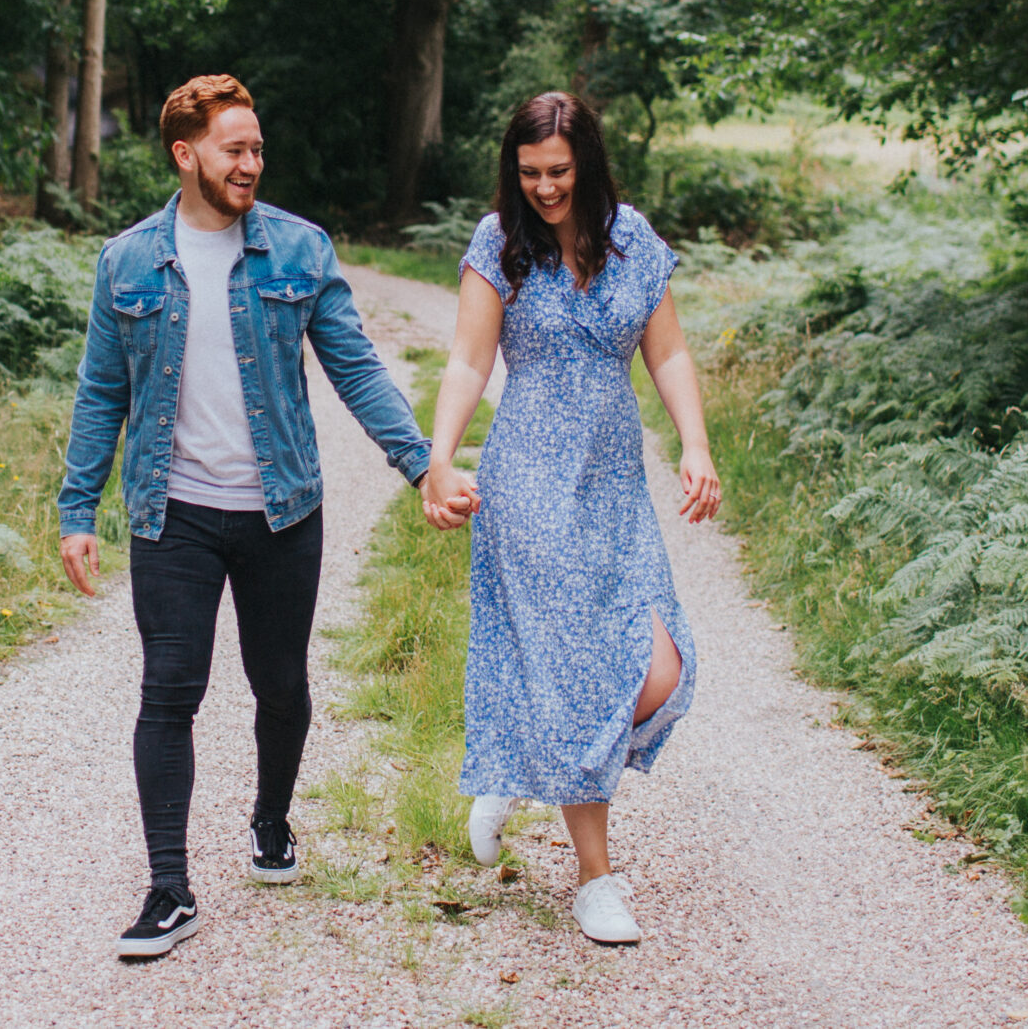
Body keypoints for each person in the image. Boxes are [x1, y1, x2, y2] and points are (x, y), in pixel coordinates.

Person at [57, 74, 434, 961]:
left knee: (282, 685)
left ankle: (271, 816)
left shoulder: (299, 251)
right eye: (235, 148)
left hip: (280, 513)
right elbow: (100, 392)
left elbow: (357, 366)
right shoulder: (129, 260)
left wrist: (420, 463)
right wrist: (78, 507)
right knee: (169, 690)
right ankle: (168, 886)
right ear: (186, 154)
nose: (251, 163)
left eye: (258, 148)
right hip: (172, 513)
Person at [415, 90, 721, 945]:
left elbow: (669, 351)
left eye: (557, 171)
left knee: (657, 663)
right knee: (583, 666)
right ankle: (595, 881)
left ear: (586, 162)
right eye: (529, 173)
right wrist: (440, 458)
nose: (544, 188)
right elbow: (470, 358)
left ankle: (519, 753)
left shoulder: (634, 241)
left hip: (613, 480)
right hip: (529, 480)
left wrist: (695, 444)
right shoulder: (498, 243)